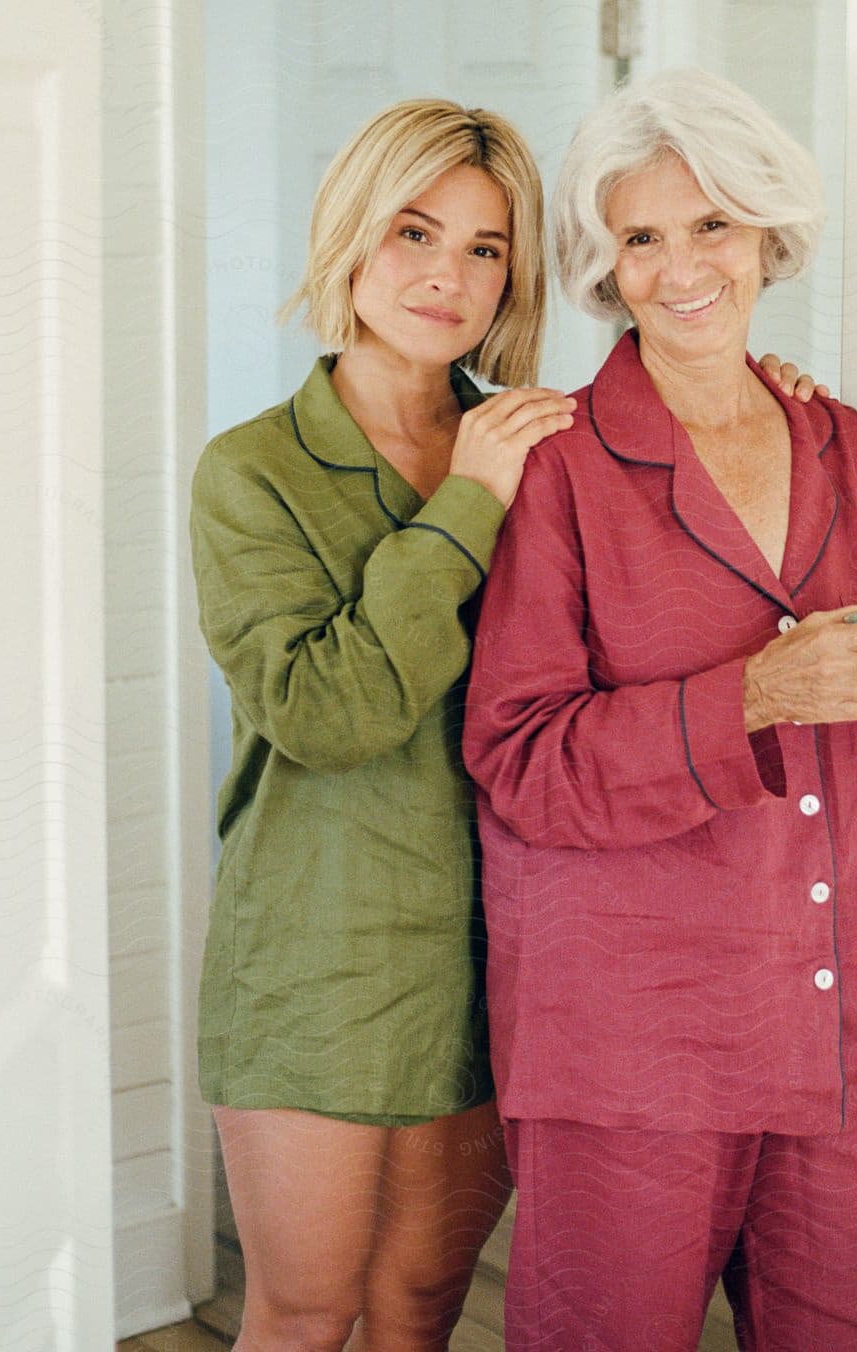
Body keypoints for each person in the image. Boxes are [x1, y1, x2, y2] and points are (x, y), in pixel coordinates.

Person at [189, 94, 821, 1352]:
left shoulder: (555, 445)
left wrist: (756, 388)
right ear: (352, 237)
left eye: (486, 249)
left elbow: (652, 636)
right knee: (305, 1311)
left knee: (423, 1307)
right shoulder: (254, 469)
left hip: (510, 954)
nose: (447, 275)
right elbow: (328, 710)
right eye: (415, 233)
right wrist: (465, 504)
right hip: (322, 955)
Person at [462, 67, 857, 1352]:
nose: (684, 266)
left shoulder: (840, 439)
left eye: (714, 225)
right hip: (630, 1033)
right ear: (604, 264)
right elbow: (519, 763)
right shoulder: (556, 466)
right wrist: (756, 688)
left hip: (837, 1013)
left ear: (766, 234)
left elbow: (852, 735)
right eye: (642, 237)